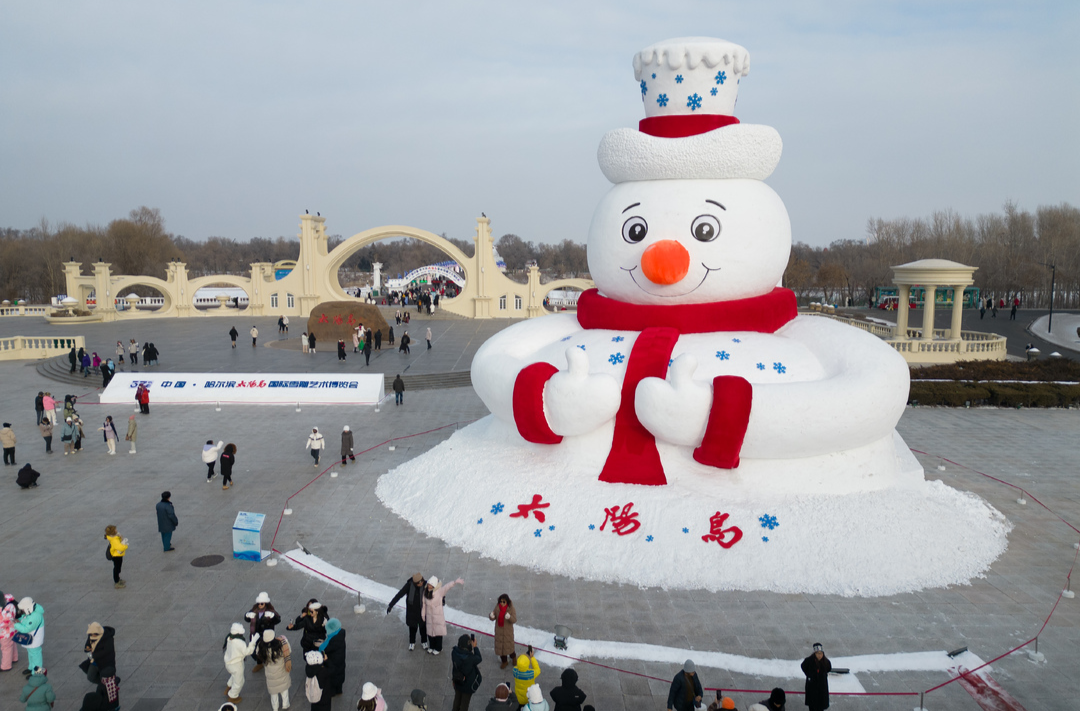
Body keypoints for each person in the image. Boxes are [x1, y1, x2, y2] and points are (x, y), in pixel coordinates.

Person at [421, 575, 463, 655]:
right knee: (430, 633)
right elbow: (424, 604)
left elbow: (446, 587)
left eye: (431, 585)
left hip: (438, 617)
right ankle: (431, 646)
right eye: (428, 585)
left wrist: (454, 582)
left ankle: (438, 648)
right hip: (429, 617)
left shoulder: (439, 592)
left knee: (438, 634)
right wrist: (423, 615)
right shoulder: (425, 592)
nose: (429, 586)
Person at [387, 573, 428, 650]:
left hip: (422, 611)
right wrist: (391, 605)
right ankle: (412, 642)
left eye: (422, 581)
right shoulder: (409, 585)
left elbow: (436, 591)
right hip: (412, 612)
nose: (422, 583)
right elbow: (399, 594)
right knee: (412, 629)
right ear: (416, 583)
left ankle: (424, 641)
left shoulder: (425, 585)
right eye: (420, 583)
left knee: (423, 628)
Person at [256, 628, 293, 711]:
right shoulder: (281, 645)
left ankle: (275, 708)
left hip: (270, 675)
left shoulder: (262, 647)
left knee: (273, 693)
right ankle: (285, 704)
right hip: (282, 672)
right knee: (284, 690)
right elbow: (288, 651)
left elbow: (257, 652)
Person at [223, 622, 257, 704]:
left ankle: (229, 687)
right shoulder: (239, 642)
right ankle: (233, 695)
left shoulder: (229, 638)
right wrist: (252, 643)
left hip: (229, 663)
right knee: (239, 681)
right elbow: (247, 652)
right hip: (237, 664)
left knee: (234, 676)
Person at [246, 592, 281, 666]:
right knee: (254, 650)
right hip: (255, 634)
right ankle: (259, 663)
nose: (260, 605)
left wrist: (272, 617)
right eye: (258, 603)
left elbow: (277, 620)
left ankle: (266, 661)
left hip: (266, 634)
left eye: (262, 603)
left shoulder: (270, 611)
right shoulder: (254, 610)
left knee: (265, 649)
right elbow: (247, 618)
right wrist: (247, 615)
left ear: (265, 603)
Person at [14, 597, 45, 674]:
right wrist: (20, 620)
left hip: (35, 640)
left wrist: (16, 624)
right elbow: (25, 618)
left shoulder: (35, 617)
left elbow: (26, 629)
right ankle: (31, 668)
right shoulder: (33, 612)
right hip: (32, 640)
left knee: (36, 656)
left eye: (23, 609)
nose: (22, 611)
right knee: (31, 654)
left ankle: (37, 673)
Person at [451, 634, 483, 711]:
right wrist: (475, 647)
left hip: (457, 680)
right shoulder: (470, 658)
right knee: (464, 703)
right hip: (467, 684)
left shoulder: (454, 652)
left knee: (457, 698)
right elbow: (479, 658)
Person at [318, 618, 346, 696]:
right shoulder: (340, 633)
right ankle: (339, 690)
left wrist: (320, 646)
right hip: (340, 661)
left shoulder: (333, 639)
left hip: (333, 662)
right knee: (340, 675)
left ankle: (332, 693)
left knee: (333, 678)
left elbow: (325, 649)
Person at [489, 593, 517, 669]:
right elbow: (493, 616)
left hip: (508, 632)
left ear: (507, 602)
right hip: (499, 632)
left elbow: (514, 619)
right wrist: (491, 616)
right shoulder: (497, 608)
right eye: (501, 601)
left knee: (509, 647)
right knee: (501, 649)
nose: (502, 603)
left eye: (504, 602)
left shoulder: (511, 609)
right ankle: (504, 661)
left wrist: (509, 617)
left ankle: (513, 658)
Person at [801, 643, 831, 711]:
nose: (819, 655)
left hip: (822, 690)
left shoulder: (826, 662)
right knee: (812, 707)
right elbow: (803, 666)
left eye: (821, 653)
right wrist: (809, 675)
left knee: (820, 708)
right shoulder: (809, 661)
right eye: (818, 653)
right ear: (814, 653)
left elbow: (829, 668)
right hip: (812, 689)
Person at [1, 592, 19, 671]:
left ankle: (6, 666)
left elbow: (5, 622)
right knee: (12, 643)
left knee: (6, 648)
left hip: (5, 632)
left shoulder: (6, 609)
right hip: (12, 630)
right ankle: (14, 658)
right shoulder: (8, 600)